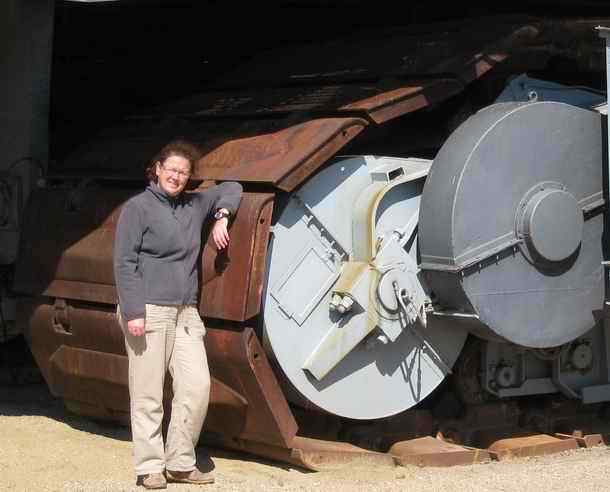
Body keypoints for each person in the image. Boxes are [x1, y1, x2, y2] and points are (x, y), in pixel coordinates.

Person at [113, 140, 242, 489]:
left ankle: (181, 462)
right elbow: (124, 263)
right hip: (148, 311)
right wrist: (134, 311)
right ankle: (150, 467)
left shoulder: (193, 205)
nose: (176, 176)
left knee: (197, 386)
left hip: (185, 313)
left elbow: (232, 187)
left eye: (183, 172)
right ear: (156, 169)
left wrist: (221, 217)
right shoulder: (137, 208)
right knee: (148, 393)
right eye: (171, 169)